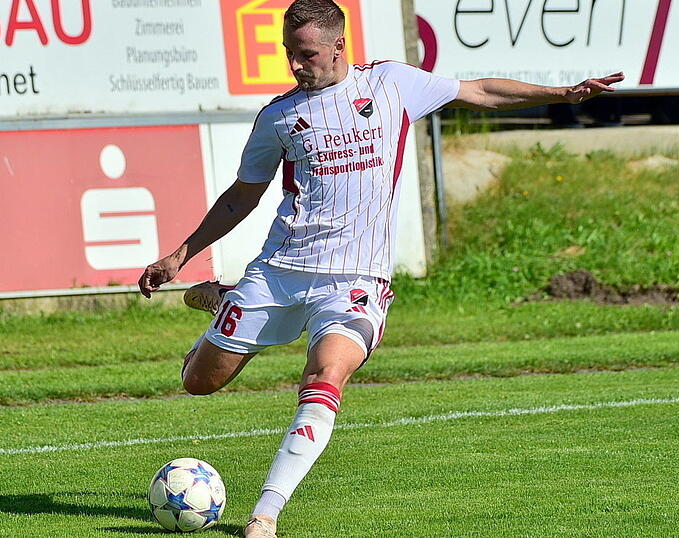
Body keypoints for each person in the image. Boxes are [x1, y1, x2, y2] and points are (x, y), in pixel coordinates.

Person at [137, 1, 623, 536]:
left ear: (339, 45)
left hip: (356, 280)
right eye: (288, 55)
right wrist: (180, 254)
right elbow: (241, 198)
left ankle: (264, 516)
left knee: (325, 377)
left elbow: (479, 90)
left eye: (306, 55)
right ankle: (228, 296)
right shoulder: (279, 117)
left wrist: (562, 93)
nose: (295, 66)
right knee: (199, 384)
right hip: (280, 271)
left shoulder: (392, 84)